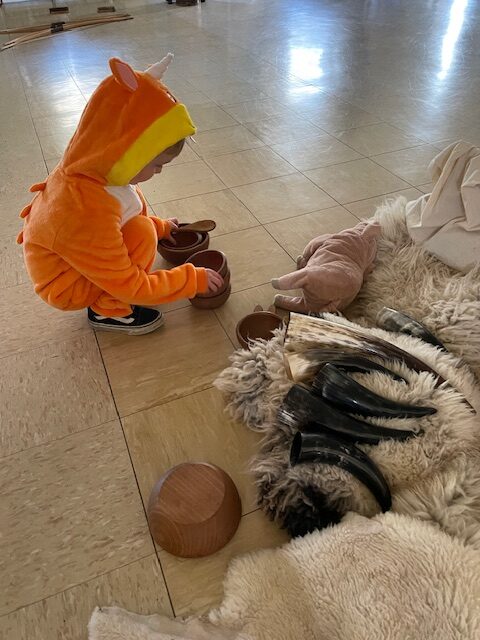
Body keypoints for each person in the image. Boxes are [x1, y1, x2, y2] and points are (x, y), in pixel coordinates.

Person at [17, 54, 223, 335]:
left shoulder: (100, 169)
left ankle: (110, 291)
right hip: (66, 285)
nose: (159, 172)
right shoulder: (83, 210)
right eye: (156, 164)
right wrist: (190, 280)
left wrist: (161, 226)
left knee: (143, 229)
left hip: (81, 257)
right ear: (128, 153)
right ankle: (109, 313)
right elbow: (129, 283)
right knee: (140, 234)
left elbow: (124, 213)